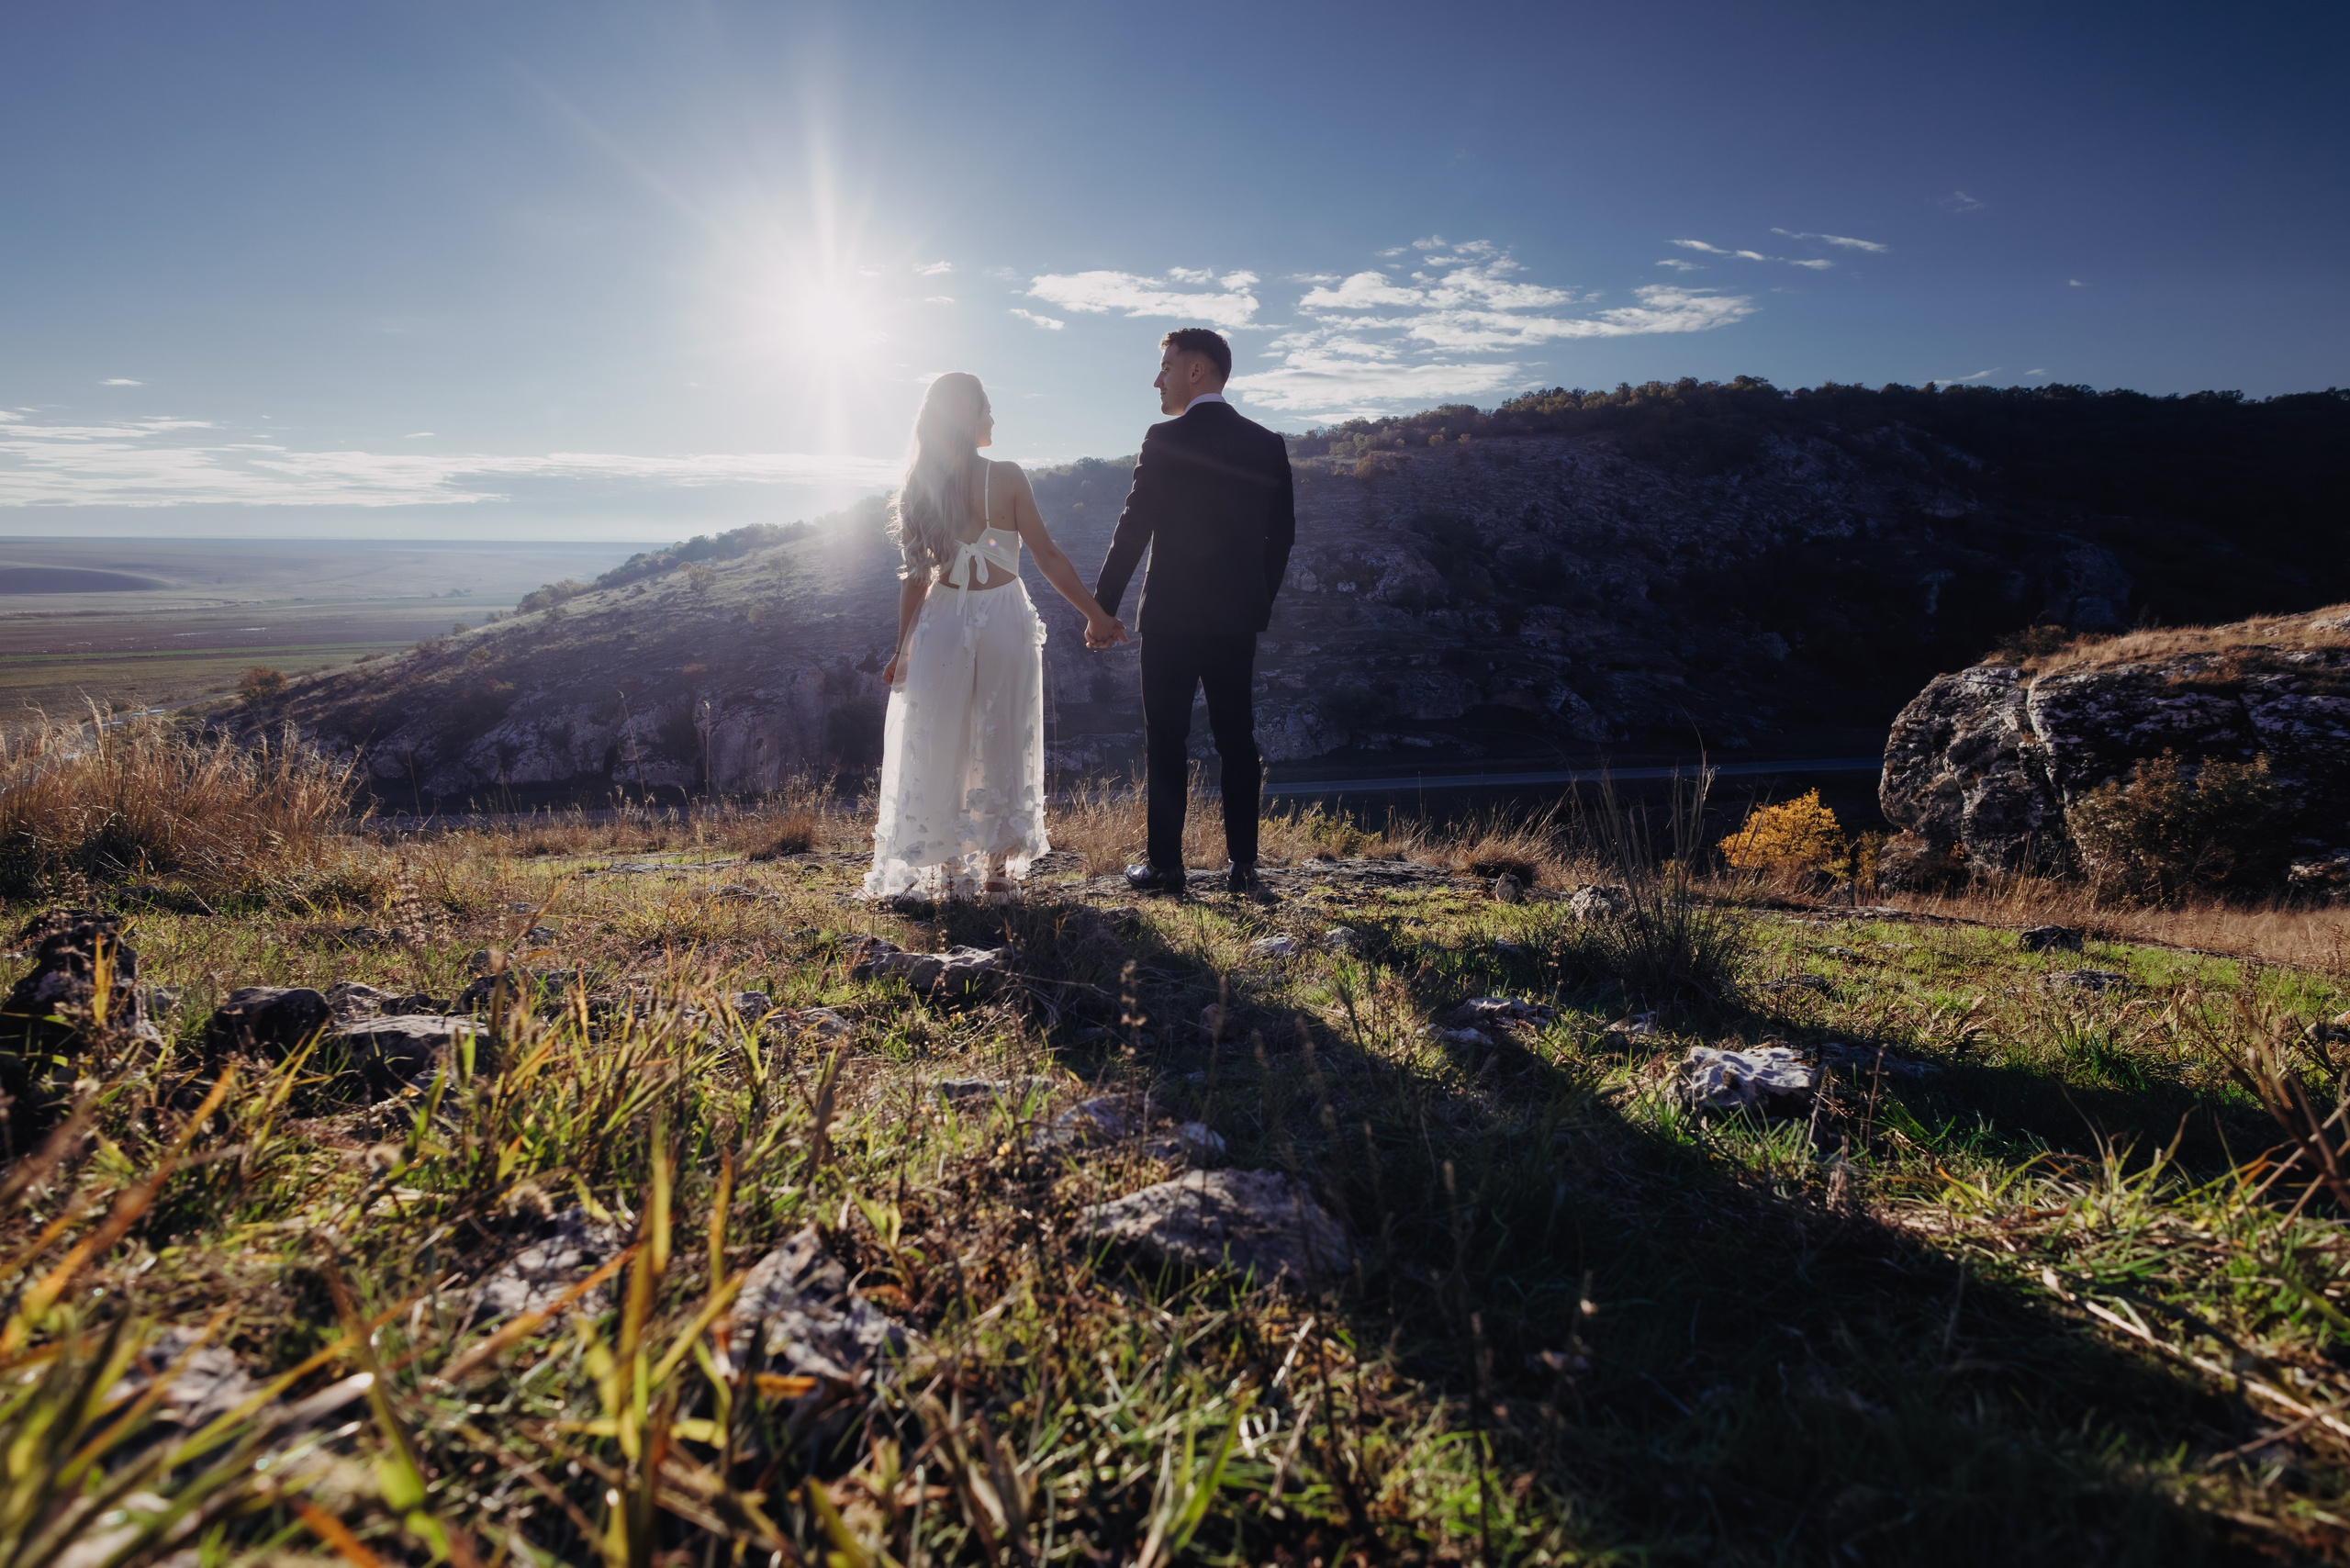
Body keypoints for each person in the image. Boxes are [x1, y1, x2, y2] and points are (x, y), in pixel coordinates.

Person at [864, 373, 1126, 902]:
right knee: (1005, 730)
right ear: (971, 417)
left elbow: (916, 579)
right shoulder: (1006, 476)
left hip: (943, 619)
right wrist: (1096, 615)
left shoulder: (922, 486)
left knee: (942, 736)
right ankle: (999, 874)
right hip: (1004, 615)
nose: (993, 420)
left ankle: (952, 869)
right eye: (988, 409)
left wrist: (903, 649)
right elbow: (1048, 557)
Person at [1090, 328, 1296, 896]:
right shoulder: (1267, 443)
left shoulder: (1162, 439)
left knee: (1167, 740)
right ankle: (1244, 868)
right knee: (1237, 738)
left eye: (1165, 367)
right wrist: (1257, 600)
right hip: (1236, 619)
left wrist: (1101, 609)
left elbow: (1132, 531)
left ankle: (1166, 867)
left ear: (1196, 371)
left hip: (1171, 619)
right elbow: (1282, 539)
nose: (1158, 379)